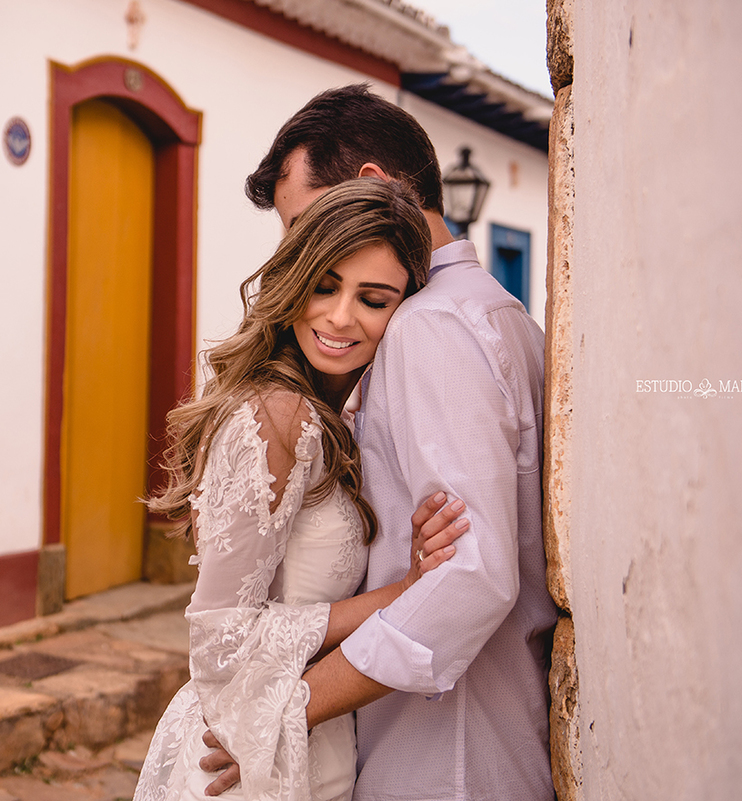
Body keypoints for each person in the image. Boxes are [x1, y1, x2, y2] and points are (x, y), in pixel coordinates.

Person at [201, 84, 558, 799]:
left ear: (373, 188)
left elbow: (472, 575)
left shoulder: (429, 326)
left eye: (302, 221)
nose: (291, 252)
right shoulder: (500, 312)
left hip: (442, 755)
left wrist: (290, 707)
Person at [134, 179, 469, 801]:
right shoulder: (280, 416)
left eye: (373, 299)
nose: (341, 317)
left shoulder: (337, 417)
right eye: (324, 286)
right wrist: (406, 591)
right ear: (294, 286)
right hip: (240, 757)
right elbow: (220, 639)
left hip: (310, 740)